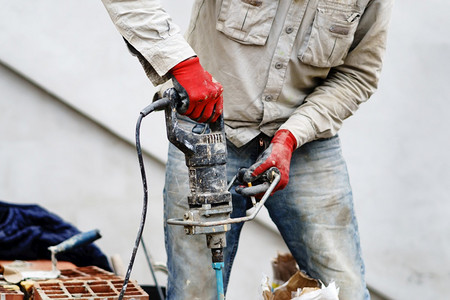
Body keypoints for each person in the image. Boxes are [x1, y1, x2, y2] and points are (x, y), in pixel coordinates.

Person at [101, 1, 393, 299]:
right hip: (207, 131)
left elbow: (358, 74)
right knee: (196, 292)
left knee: (346, 292)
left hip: (303, 139)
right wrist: (181, 64)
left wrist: (292, 136)